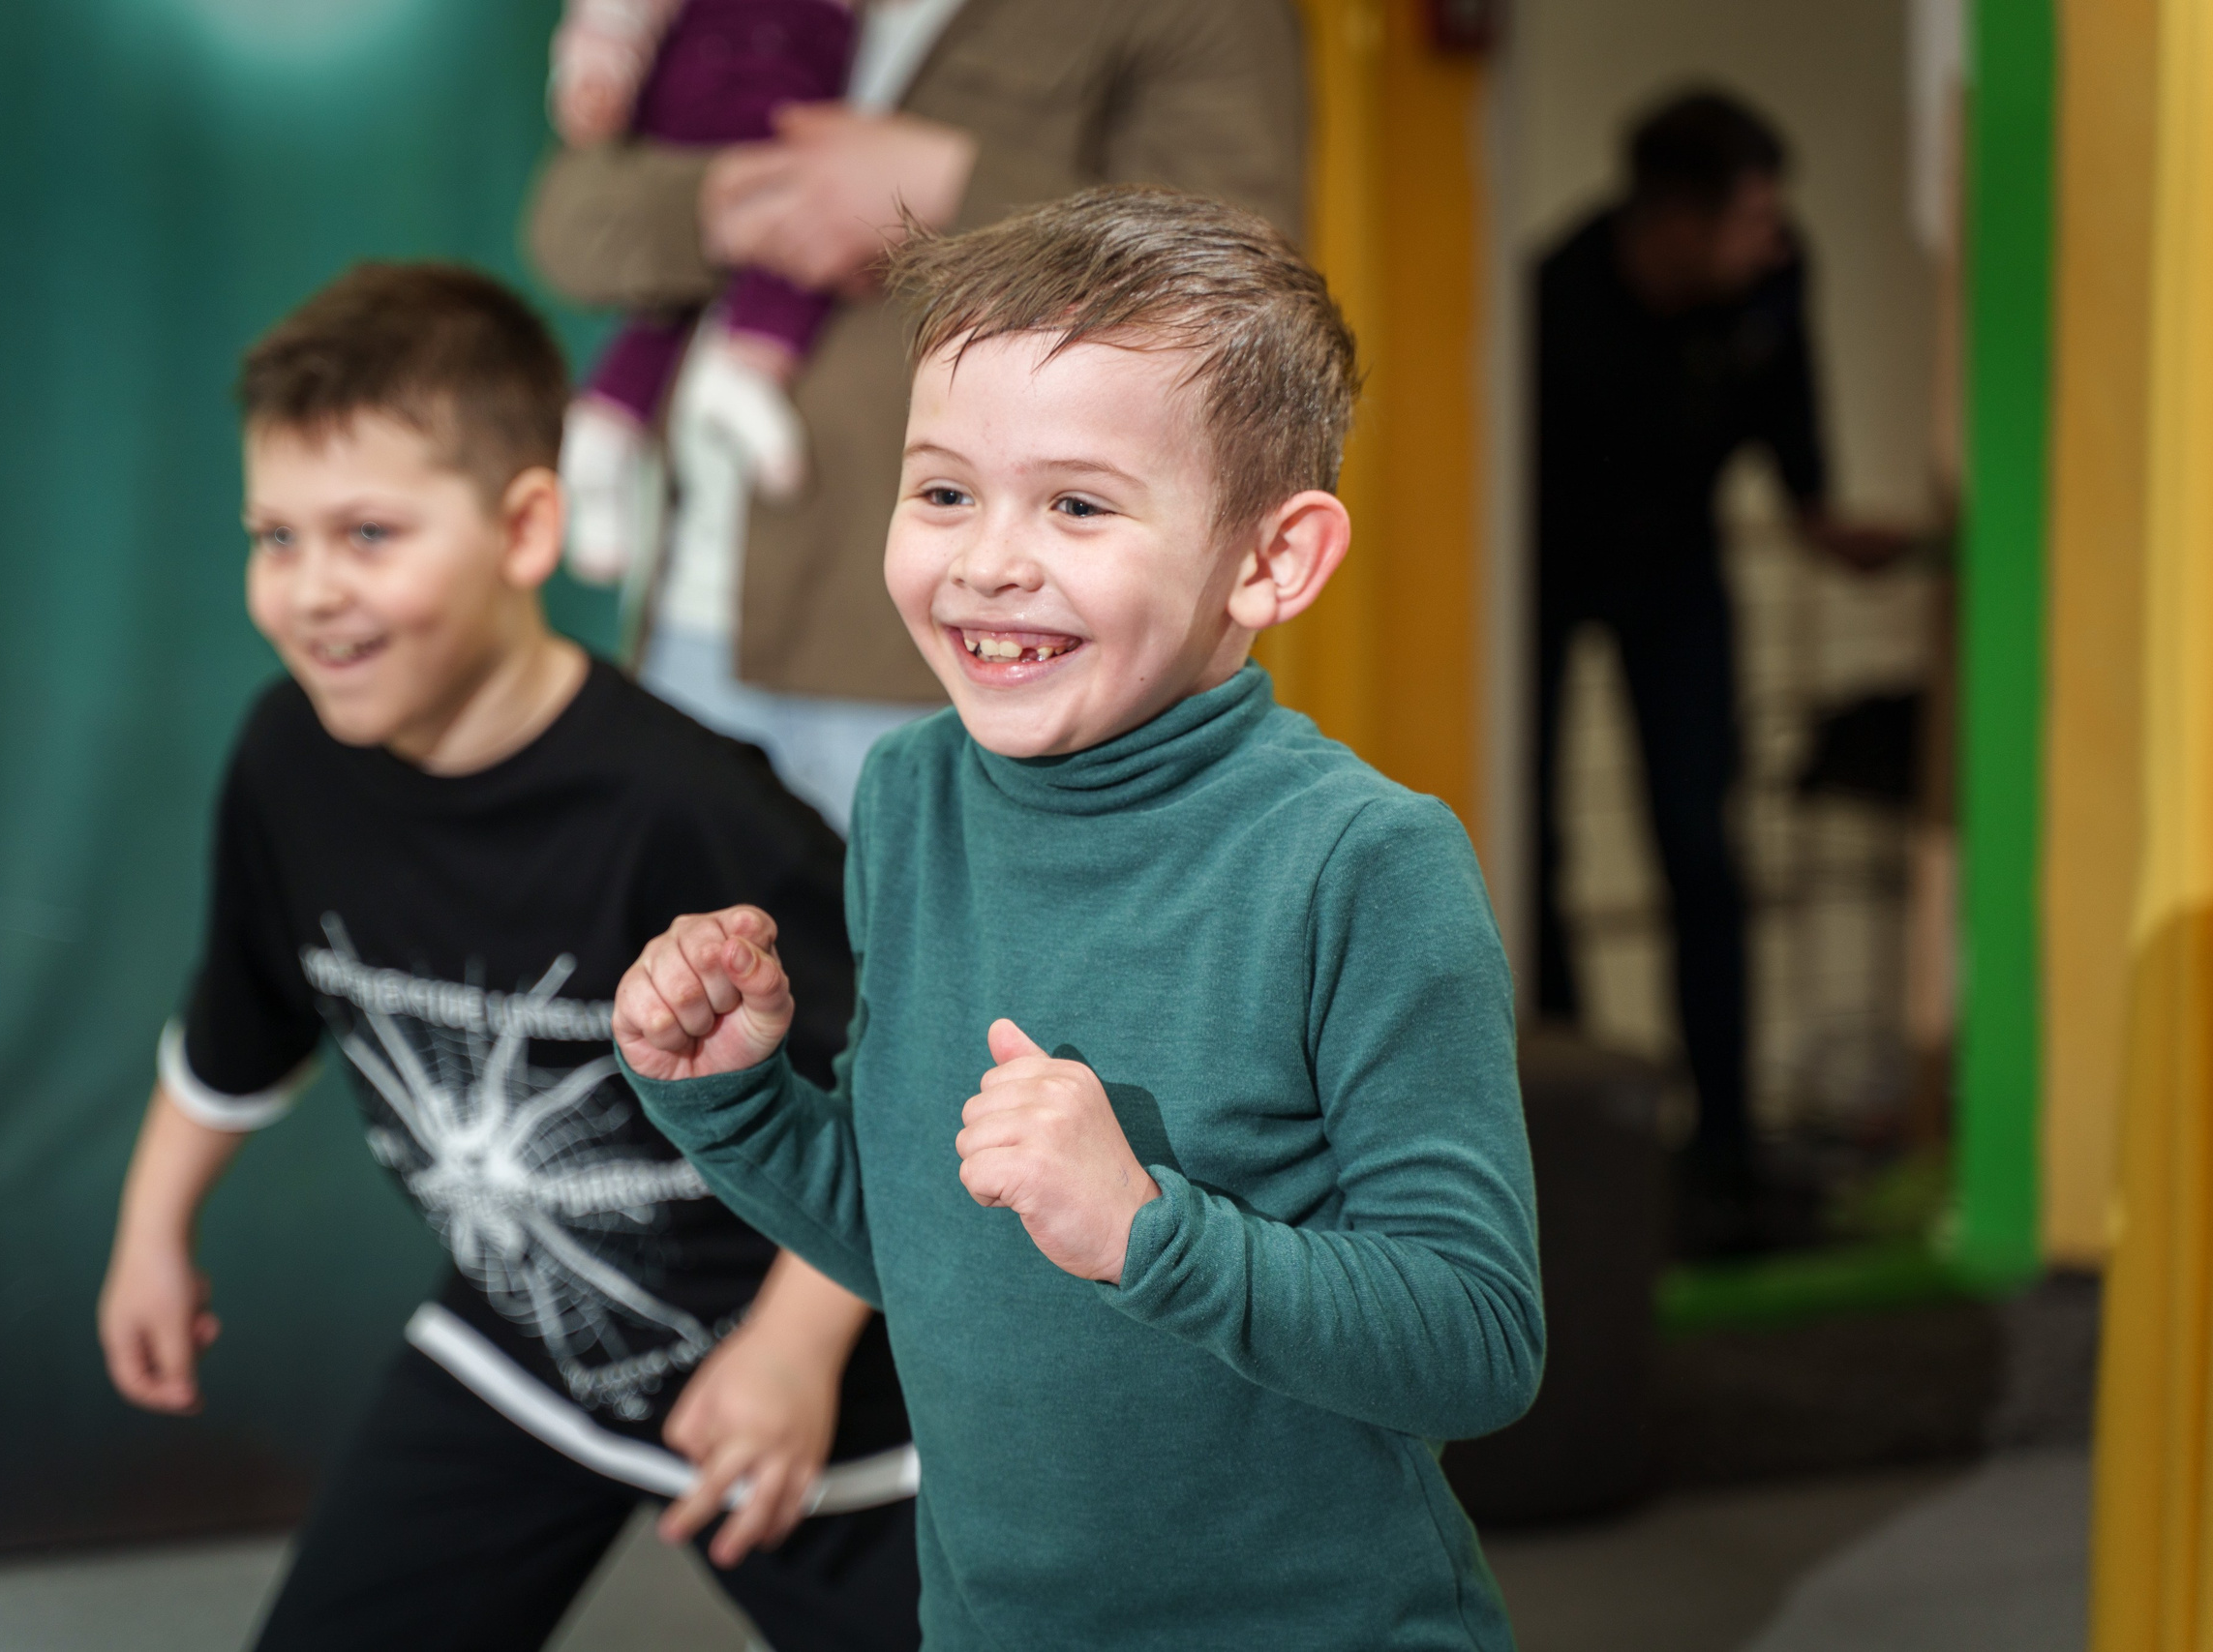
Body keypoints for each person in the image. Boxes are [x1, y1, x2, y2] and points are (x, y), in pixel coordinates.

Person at [613, 189, 1545, 1649]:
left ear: (1273, 560)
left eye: (1079, 503)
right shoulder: (912, 795)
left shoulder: (1365, 860)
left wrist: (1144, 1228)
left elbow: (1481, 1341)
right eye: (943, 492)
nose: (988, 559)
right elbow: (916, 1236)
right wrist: (726, 1099)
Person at [94, 262, 920, 1651]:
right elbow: (240, 1019)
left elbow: (896, 1082)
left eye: (368, 533)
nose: (310, 592)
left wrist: (793, 1348)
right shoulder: (286, 756)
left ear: (528, 527)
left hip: (812, 1387)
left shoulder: (688, 806)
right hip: (526, 1345)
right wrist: (149, 1231)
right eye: (275, 536)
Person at [529, 0, 1305, 832]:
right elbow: (566, 228)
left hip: (947, 651)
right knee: (698, 954)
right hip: (683, 612)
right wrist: (731, 199)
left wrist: (943, 186)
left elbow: (1241, 279)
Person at [1532, 89, 1906, 1237]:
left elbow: (1797, 457)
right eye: (1749, 216)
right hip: (1544, 567)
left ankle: (1727, 1156)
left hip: (1681, 575)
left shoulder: (1774, 281)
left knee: (1702, 845)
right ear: (1673, 221)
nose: (1771, 236)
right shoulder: (1555, 302)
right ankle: (1571, 1129)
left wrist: (1829, 523)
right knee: (1526, 840)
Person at [549, 0, 861, 511]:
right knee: (780, 242)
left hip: (782, 116)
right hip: (723, 114)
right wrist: (594, 71)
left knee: (673, 302)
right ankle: (741, 369)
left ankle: (608, 419)